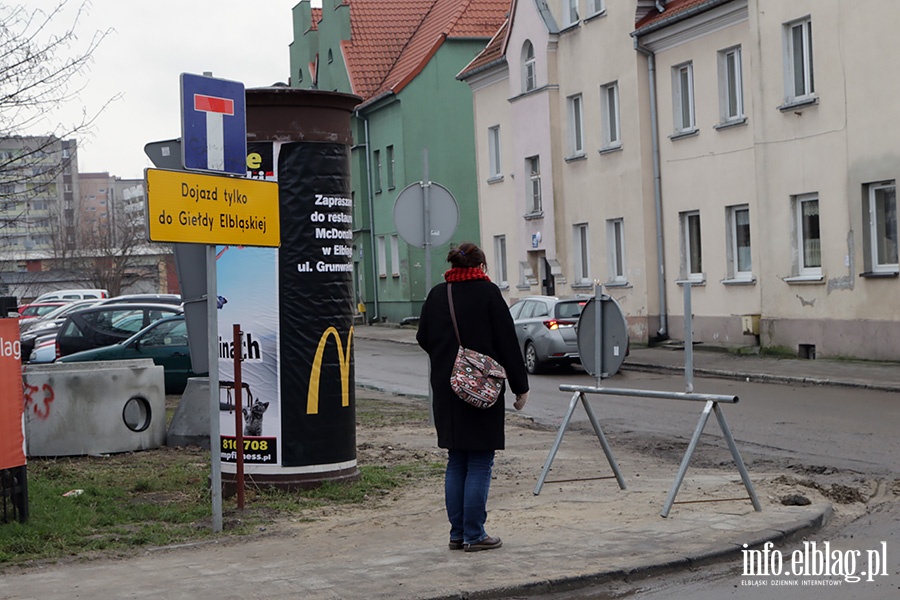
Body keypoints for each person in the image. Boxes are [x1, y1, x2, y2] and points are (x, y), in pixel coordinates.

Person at [416, 241, 529, 552]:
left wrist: (448, 359)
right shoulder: (488, 293)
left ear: (453, 266)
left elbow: (423, 336)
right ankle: (475, 534)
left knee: (456, 460)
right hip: (482, 389)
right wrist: (520, 386)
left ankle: (457, 533)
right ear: (481, 267)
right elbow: (507, 342)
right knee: (479, 460)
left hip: (446, 387)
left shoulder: (438, 294)